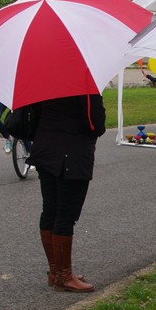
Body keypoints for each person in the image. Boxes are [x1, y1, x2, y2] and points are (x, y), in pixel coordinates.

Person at [27, 94, 106, 293]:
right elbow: (97, 125)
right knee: (65, 215)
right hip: (72, 156)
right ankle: (63, 276)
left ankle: (55, 271)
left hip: (45, 150)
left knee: (50, 210)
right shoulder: (85, 87)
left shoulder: (43, 83)